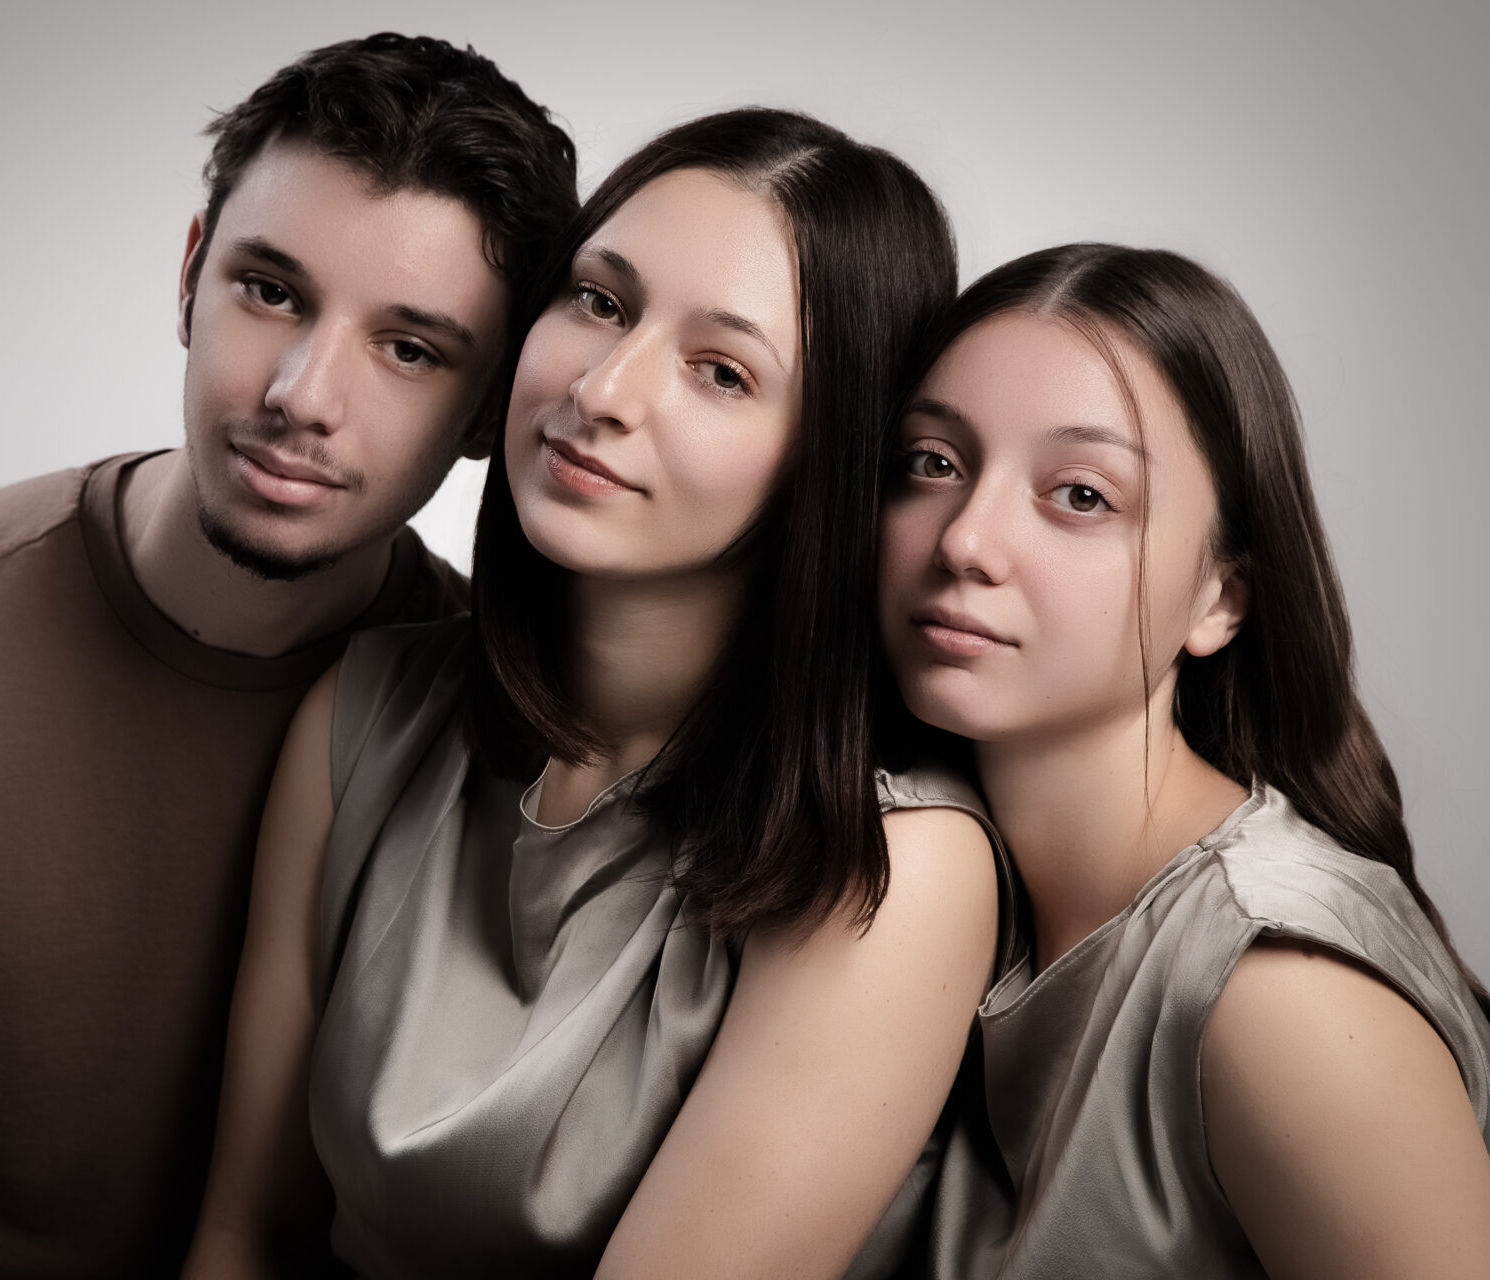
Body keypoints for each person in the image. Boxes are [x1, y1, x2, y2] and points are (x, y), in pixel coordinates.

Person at [0, 33, 576, 1280]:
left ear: (486, 409)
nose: (303, 394)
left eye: (409, 348)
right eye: (271, 290)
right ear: (190, 274)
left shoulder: (505, 736)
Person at [182, 109, 1010, 1279]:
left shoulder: (891, 863)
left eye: (721, 371)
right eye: (600, 301)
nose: (604, 388)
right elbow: (242, 1235)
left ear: (829, 451)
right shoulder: (366, 712)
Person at [878, 243, 1490, 1277]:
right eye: (934, 462)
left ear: (1220, 601)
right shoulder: (925, 890)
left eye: (1081, 495)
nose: (964, 539)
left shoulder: (1279, 996)